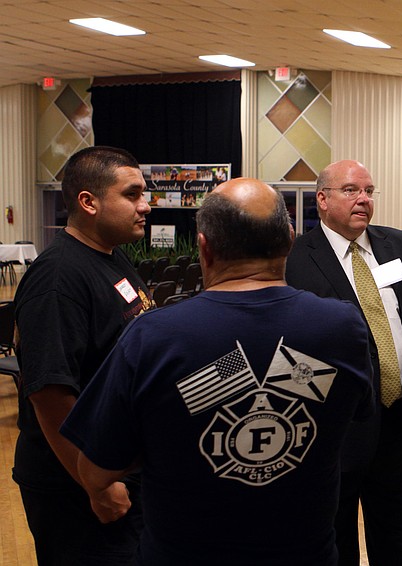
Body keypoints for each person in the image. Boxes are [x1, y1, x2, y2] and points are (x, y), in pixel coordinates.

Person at [60, 178, 375, 565]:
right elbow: (353, 416)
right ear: (290, 240)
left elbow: (94, 472)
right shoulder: (344, 327)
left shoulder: (154, 336)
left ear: (204, 248)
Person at [285, 159, 402, 565]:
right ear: (322, 200)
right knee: (336, 534)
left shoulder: (401, 245)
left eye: (369, 191)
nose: (363, 199)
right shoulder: (296, 257)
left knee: (400, 531)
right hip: (335, 426)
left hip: (399, 419)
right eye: (351, 190)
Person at [12, 146, 154, 565]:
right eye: (132, 195)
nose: (145, 206)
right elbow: (49, 393)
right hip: (75, 483)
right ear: (88, 202)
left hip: (119, 465)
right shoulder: (58, 278)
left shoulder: (111, 255)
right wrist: (95, 485)